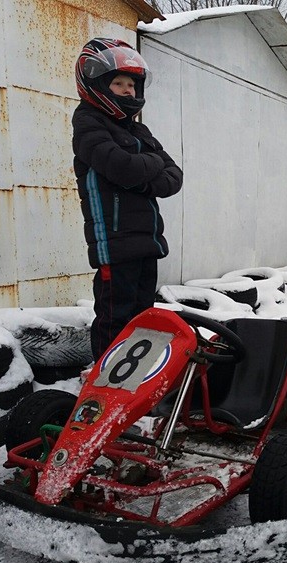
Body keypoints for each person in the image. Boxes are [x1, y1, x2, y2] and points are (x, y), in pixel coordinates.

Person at [73, 38, 183, 362]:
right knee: (114, 318)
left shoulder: (138, 131)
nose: (127, 90)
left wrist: (145, 180)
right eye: (118, 83)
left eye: (131, 84)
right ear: (97, 85)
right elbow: (123, 168)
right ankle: (104, 381)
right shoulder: (88, 125)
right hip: (114, 243)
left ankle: (138, 378)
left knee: (143, 317)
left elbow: (174, 176)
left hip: (146, 242)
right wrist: (150, 169)